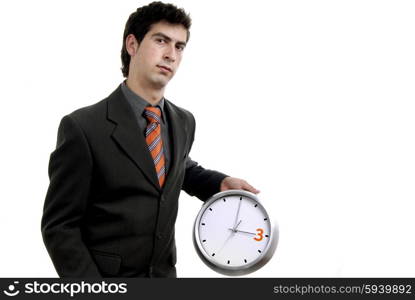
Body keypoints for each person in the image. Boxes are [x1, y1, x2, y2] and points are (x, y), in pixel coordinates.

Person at [41, 1, 259, 278]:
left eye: (179, 46)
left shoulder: (184, 121)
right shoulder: (83, 127)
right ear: (132, 45)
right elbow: (60, 227)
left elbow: (175, 167)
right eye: (161, 41)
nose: (171, 54)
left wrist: (218, 183)